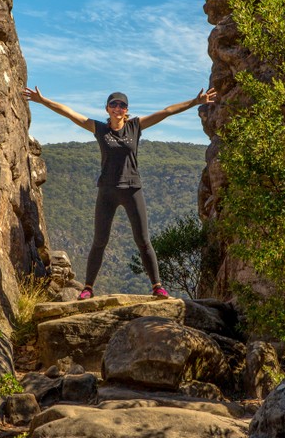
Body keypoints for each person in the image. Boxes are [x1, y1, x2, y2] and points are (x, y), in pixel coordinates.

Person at [23, 86, 218, 300]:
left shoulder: (135, 126)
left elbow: (167, 111)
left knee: (143, 240)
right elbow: (69, 113)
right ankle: (88, 288)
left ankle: (157, 286)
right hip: (107, 191)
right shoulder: (99, 129)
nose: (118, 108)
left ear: (127, 110)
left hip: (132, 190)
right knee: (100, 241)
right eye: (113, 104)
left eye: (122, 105)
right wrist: (43, 100)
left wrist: (195, 102)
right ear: (107, 109)